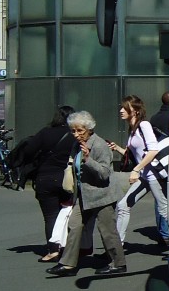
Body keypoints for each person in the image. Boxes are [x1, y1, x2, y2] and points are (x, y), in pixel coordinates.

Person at [47, 111, 129, 277]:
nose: (76, 134)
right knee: (74, 225)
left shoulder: (99, 145)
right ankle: (67, 264)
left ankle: (118, 263)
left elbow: (105, 173)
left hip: (102, 194)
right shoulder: (77, 144)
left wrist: (88, 160)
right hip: (83, 195)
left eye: (80, 131)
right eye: (73, 131)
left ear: (89, 129)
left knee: (107, 230)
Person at [18, 105, 78, 262]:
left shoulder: (46, 133)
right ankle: (69, 249)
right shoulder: (75, 134)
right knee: (68, 215)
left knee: (50, 215)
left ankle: (53, 250)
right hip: (69, 179)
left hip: (46, 177)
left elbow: (29, 150)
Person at [108, 95, 169, 247]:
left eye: (125, 108)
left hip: (153, 175)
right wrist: (119, 149)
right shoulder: (133, 129)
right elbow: (137, 155)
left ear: (134, 111)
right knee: (123, 206)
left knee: (165, 211)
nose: (121, 110)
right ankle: (117, 246)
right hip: (145, 176)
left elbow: (153, 150)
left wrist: (136, 170)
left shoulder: (144, 125)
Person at [147, 91, 169, 242]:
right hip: (168, 158)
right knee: (167, 196)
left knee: (159, 197)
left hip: (156, 161)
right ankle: (167, 232)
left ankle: (162, 230)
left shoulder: (154, 117)